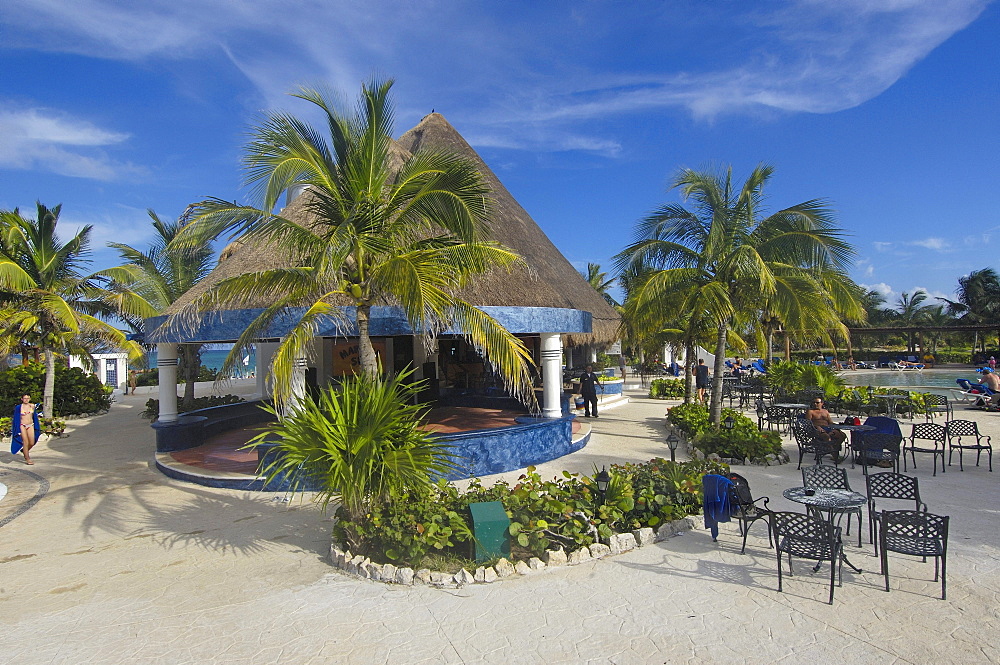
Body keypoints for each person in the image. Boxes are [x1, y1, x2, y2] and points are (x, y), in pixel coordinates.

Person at [11, 393, 41, 465]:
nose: (26, 400)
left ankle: (24, 450)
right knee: (25, 442)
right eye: (25, 398)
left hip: (30, 425)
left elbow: (35, 415)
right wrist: (17, 429)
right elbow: (16, 418)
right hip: (22, 425)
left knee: (32, 442)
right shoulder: (19, 407)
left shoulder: (32, 406)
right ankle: (27, 458)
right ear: (22, 399)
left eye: (28, 398)